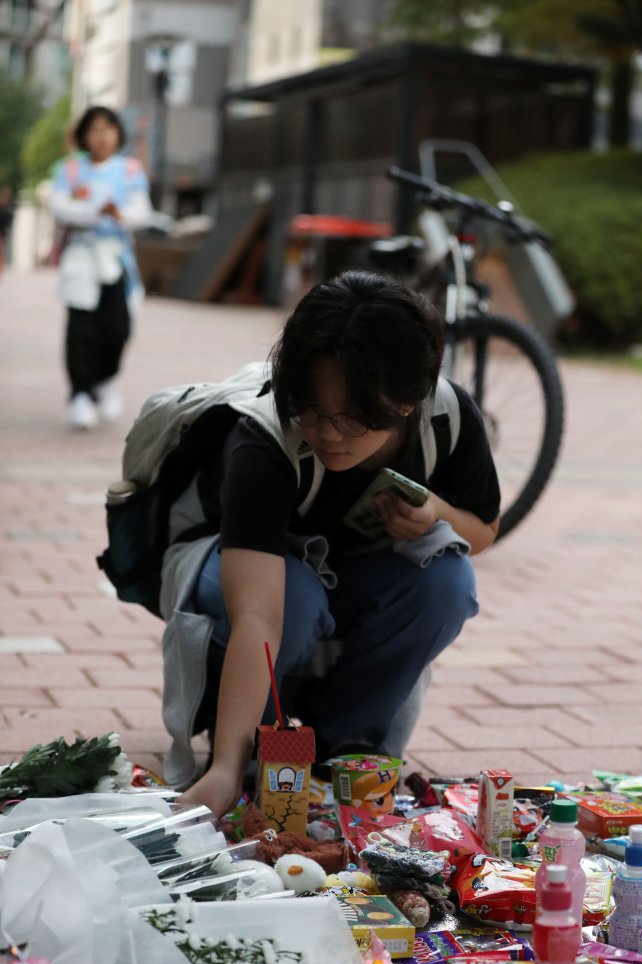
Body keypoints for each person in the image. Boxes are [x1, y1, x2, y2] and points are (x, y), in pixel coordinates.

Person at [170, 270, 501, 820]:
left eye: (353, 418)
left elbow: (484, 529)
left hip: (353, 576)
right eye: (315, 411)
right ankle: (252, 743)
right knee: (294, 602)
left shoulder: (446, 417)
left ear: (405, 402)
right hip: (231, 571)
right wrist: (225, 769)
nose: (329, 434)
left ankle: (346, 749)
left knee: (447, 581)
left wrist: (436, 514)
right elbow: (257, 615)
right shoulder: (266, 438)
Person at [50, 106, 152, 431]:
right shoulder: (69, 170)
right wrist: (95, 210)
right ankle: (79, 394)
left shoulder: (130, 170)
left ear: (118, 133)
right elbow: (60, 207)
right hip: (81, 258)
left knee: (118, 326)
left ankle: (106, 379)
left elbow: (142, 211)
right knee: (80, 329)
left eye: (108, 129)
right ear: (83, 135)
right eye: (94, 129)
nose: (101, 136)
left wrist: (118, 214)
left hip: (116, 258)